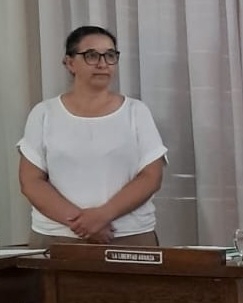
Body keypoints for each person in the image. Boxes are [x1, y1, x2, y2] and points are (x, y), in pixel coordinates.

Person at [17, 25, 167, 247]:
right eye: (91, 56)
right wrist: (82, 223)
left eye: (110, 55)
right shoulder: (44, 113)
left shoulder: (136, 111)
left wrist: (102, 216)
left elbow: (151, 176)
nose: (102, 64)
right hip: (58, 237)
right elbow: (31, 181)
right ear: (69, 63)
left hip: (128, 236)